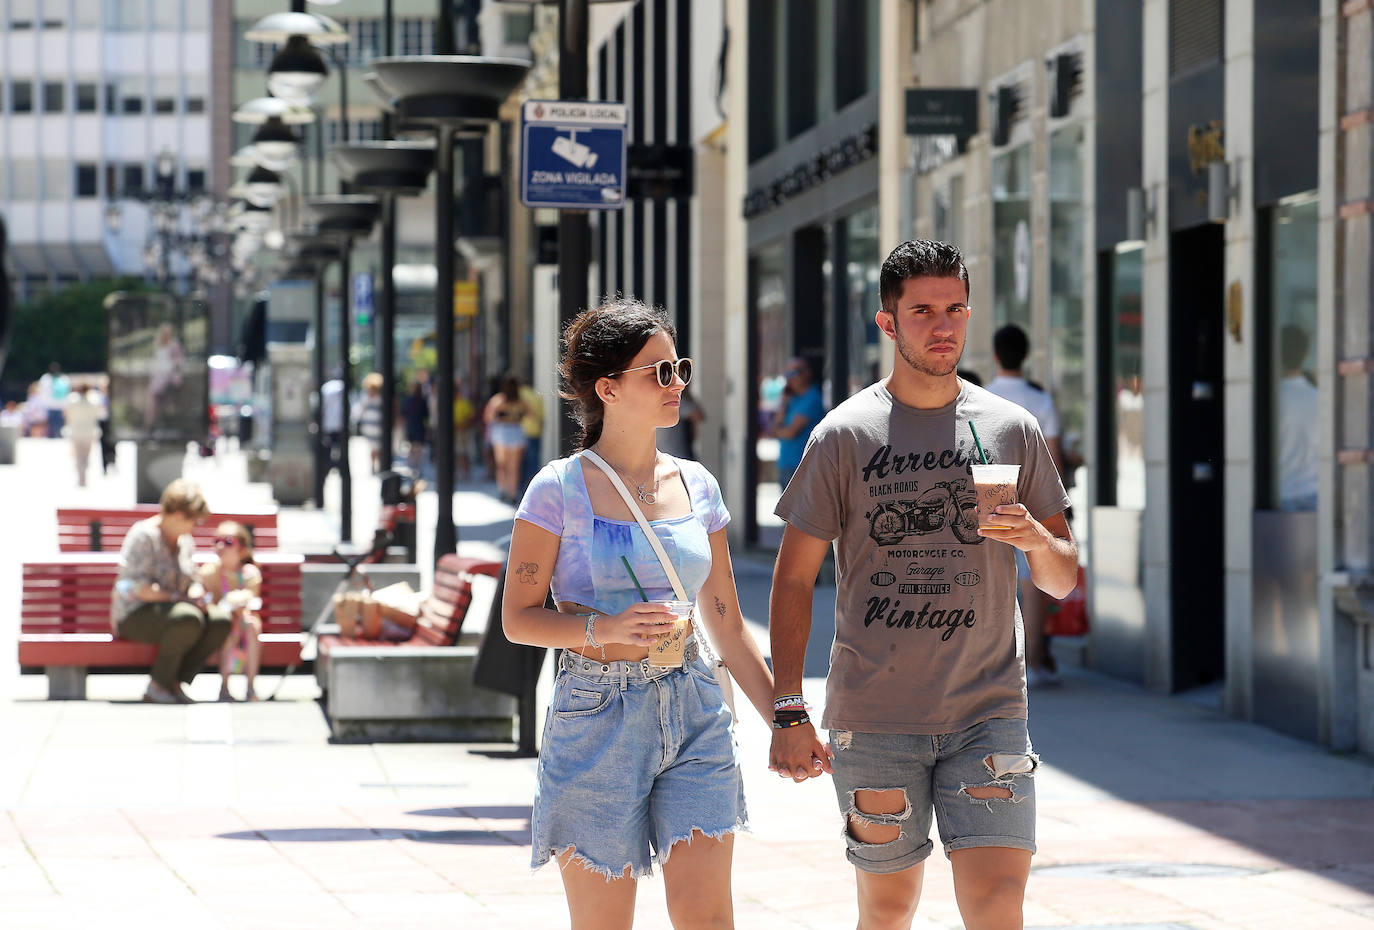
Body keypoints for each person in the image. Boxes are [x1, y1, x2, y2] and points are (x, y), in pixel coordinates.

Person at [768, 239, 1076, 930]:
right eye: (924, 311)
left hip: (989, 713)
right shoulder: (844, 435)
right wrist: (790, 709)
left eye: (956, 308)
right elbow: (793, 580)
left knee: (998, 909)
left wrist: (1035, 540)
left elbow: (1060, 577)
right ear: (888, 323)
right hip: (875, 718)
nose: (944, 326)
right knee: (887, 911)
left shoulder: (1011, 429)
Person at [503, 297, 774, 930]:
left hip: (694, 706)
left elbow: (727, 624)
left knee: (708, 917)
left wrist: (783, 718)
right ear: (608, 388)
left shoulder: (698, 485)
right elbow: (519, 617)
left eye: (678, 367)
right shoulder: (556, 490)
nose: (677, 383)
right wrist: (605, 628)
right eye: (659, 372)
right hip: (597, 713)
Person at [986, 323, 1066, 688]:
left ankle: (994, 661)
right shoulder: (1041, 399)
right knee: (1033, 582)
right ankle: (1031, 661)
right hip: (1035, 496)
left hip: (992, 494)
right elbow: (1053, 458)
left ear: (995, 355)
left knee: (992, 579)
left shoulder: (984, 397)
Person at [111, 480, 232, 704]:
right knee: (187, 617)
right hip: (136, 613)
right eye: (193, 521)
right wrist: (179, 598)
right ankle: (158, 685)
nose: (194, 527)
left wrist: (196, 593)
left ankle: (175, 682)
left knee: (220, 620)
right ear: (177, 515)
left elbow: (191, 578)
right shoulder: (144, 536)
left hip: (176, 610)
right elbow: (136, 588)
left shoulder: (184, 541)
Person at [199, 521, 264, 702]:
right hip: (224, 622)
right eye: (216, 540)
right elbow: (205, 597)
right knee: (229, 630)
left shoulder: (249, 573)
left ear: (242, 550)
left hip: (246, 620)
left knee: (251, 626)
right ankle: (224, 686)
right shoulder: (210, 571)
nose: (220, 546)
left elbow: (252, 598)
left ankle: (251, 687)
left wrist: (239, 603)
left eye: (228, 542)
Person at [1277, 324, 1319, 511]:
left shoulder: (1268, 401)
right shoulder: (1318, 398)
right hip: (1314, 496)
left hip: (1279, 498)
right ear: (1305, 355)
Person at [771, 357, 825, 490]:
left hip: (801, 467)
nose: (790, 379)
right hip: (786, 465)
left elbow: (790, 432)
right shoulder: (791, 399)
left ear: (807, 374)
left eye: (793, 374)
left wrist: (779, 431)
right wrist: (783, 403)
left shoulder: (812, 398)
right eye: (787, 375)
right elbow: (775, 428)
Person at [487, 373, 530, 505]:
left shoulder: (498, 400)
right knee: (514, 465)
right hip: (516, 430)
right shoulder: (520, 401)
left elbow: (488, 416)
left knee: (502, 464)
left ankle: (503, 490)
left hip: (502, 431)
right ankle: (512, 492)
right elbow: (530, 414)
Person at [62, 381, 102, 487]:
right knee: (85, 456)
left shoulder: (72, 400)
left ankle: (81, 478)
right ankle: (83, 478)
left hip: (76, 431)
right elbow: (98, 415)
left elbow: (67, 415)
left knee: (78, 456)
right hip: (89, 432)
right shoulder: (94, 401)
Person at [144, 325, 183, 433]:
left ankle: (151, 423)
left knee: (154, 397)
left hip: (167, 375)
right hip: (158, 374)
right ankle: (151, 423)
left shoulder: (173, 344)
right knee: (154, 400)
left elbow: (178, 361)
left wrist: (171, 368)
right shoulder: (158, 344)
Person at [656, 383, 704, 460]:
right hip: (676, 454)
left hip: (665, 453)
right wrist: (687, 394)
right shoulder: (675, 400)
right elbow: (698, 415)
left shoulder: (660, 399)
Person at [354, 372, 385, 474]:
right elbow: (359, 410)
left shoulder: (380, 398)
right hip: (369, 426)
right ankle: (373, 465)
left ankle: (379, 465)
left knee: (379, 448)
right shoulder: (365, 397)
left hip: (378, 426)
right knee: (373, 448)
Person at [519, 377, 546, 492]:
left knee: (522, 462)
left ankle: (523, 488)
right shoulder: (537, 395)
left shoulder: (520, 394)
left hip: (523, 431)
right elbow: (542, 416)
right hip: (536, 431)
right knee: (534, 461)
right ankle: (534, 488)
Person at [320, 370, 346, 472]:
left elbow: (322, 406)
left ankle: (330, 464)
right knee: (339, 445)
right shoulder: (343, 386)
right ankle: (337, 464)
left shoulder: (326, 387)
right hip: (340, 422)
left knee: (329, 445)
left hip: (328, 422)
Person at [402, 378, 429, 472]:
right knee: (417, 447)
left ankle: (412, 465)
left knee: (412, 446)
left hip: (412, 426)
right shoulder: (422, 400)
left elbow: (404, 413)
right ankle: (415, 465)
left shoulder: (408, 400)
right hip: (418, 426)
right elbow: (426, 414)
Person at [39, 362, 71, 438]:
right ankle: (57, 436)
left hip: (50, 405)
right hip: (60, 405)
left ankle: (53, 436)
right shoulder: (63, 379)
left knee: (52, 423)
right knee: (58, 423)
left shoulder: (46, 378)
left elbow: (42, 392)